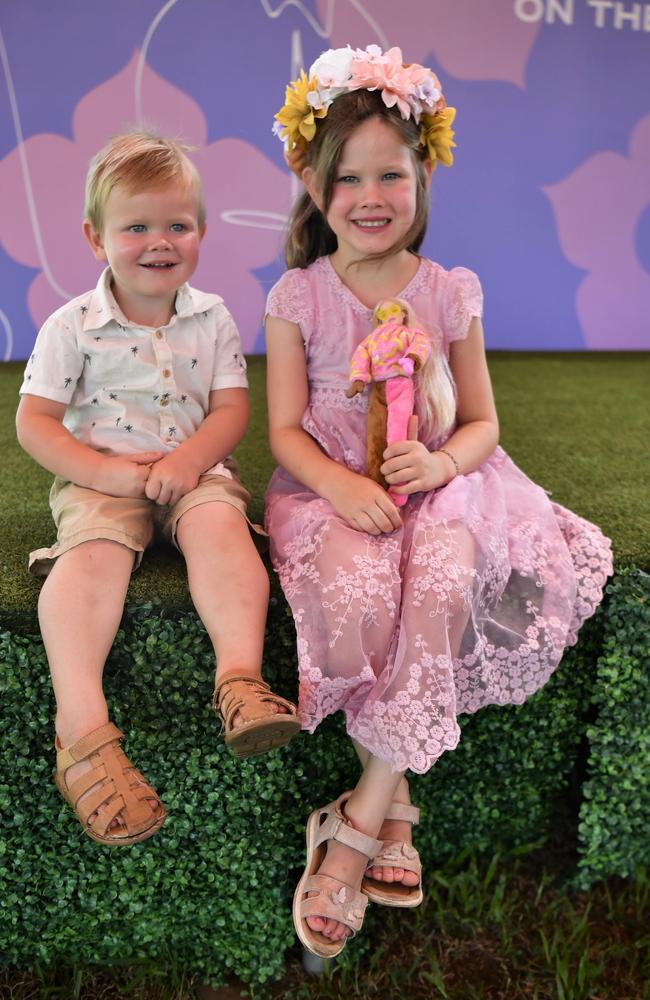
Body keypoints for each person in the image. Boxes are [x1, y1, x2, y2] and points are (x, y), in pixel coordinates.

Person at [265, 45, 612, 957]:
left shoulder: (448, 291)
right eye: (349, 177)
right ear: (312, 179)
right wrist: (342, 485)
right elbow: (286, 433)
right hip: (335, 489)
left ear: (423, 175)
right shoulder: (296, 296)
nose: (372, 195)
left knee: (446, 579)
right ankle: (398, 800)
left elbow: (485, 424)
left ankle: (357, 818)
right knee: (359, 597)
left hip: (443, 489)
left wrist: (446, 465)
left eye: (392, 173)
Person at [16, 130, 300, 847]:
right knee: (91, 560)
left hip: (191, 468)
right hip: (102, 478)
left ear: (201, 232)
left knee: (223, 530)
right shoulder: (71, 326)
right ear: (95, 236)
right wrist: (106, 474)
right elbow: (36, 423)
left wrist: (192, 460)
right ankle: (81, 727)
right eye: (136, 226)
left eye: (177, 225)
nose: (158, 242)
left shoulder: (212, 318)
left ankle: (239, 680)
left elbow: (232, 407)